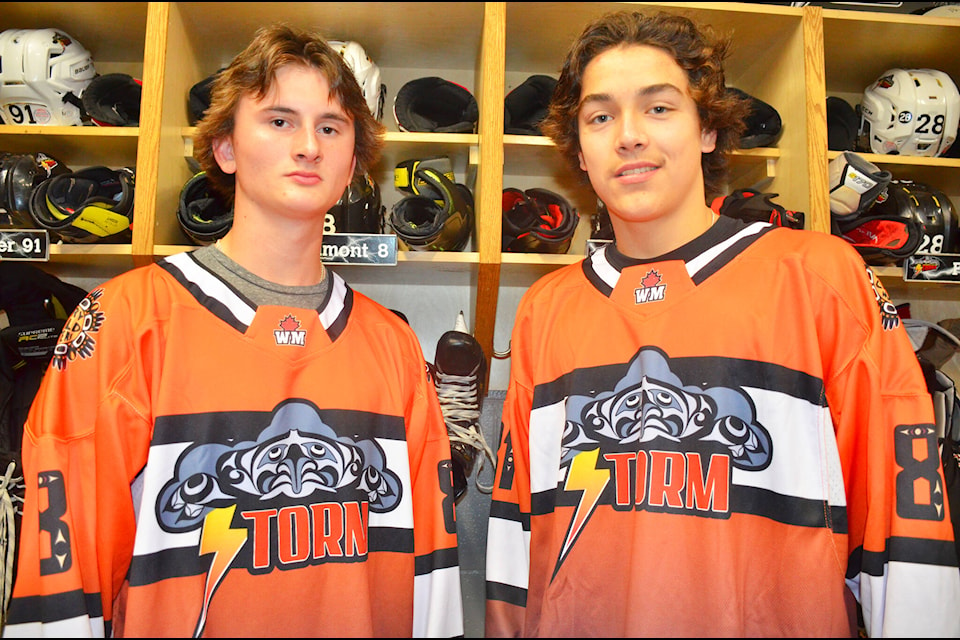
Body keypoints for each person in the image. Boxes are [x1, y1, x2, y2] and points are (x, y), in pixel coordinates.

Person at [484, 9, 960, 638]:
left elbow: (906, 527)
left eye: (659, 108)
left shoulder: (818, 277)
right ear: (579, 147)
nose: (628, 136)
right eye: (600, 116)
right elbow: (520, 529)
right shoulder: (548, 307)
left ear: (708, 128)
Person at [3, 24, 463, 638]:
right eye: (278, 121)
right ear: (224, 147)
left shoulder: (391, 343)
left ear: (353, 160)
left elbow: (430, 573)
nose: (308, 146)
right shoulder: (124, 320)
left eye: (330, 127)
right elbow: (62, 582)